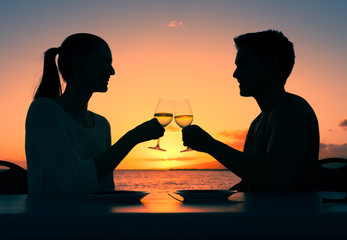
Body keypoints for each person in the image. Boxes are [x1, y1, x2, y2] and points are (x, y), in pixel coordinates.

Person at [25, 33, 164, 196]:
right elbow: (77, 182)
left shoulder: (102, 124)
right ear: (80, 62)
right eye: (106, 61)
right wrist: (133, 137)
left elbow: (104, 190)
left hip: (95, 221)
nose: (112, 71)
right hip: (53, 220)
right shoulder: (43, 110)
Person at [182, 30, 320, 192]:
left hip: (291, 217)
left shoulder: (291, 110)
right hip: (265, 217)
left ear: (271, 64)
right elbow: (251, 182)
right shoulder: (258, 121)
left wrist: (210, 145)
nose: (235, 74)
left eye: (244, 63)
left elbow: (277, 176)